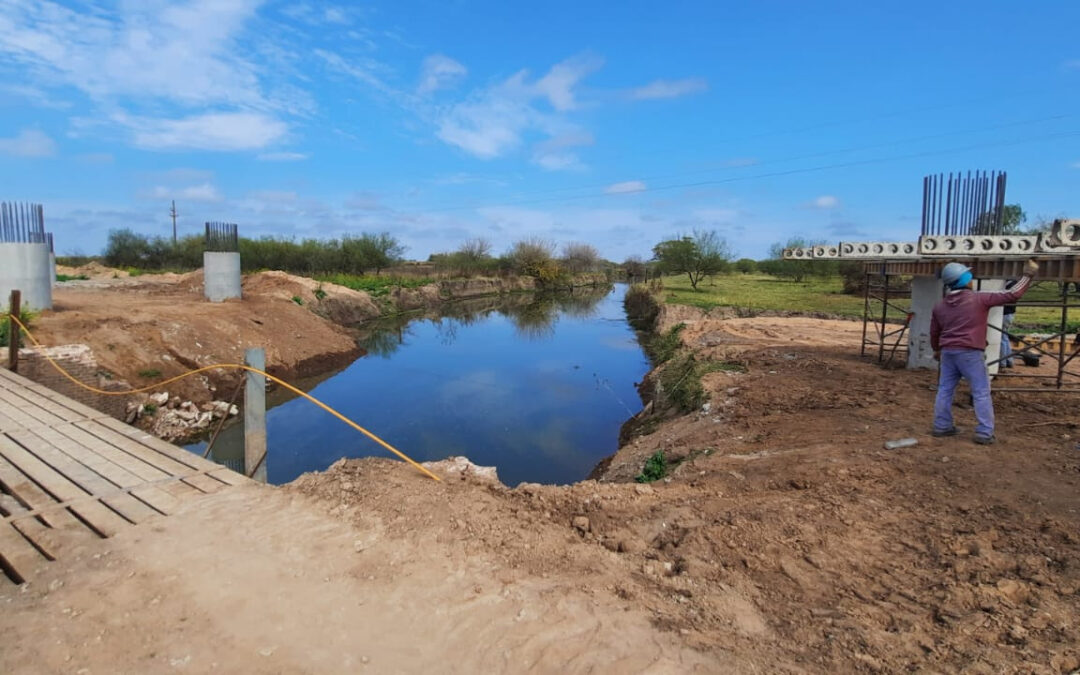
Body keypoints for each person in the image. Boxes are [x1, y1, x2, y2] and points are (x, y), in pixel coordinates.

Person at [931, 259, 1039, 445]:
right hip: (970, 353)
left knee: (945, 389)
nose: (972, 278)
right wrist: (1028, 275)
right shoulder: (979, 298)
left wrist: (937, 350)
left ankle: (942, 426)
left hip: (948, 352)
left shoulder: (940, 305)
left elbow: (935, 331)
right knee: (981, 391)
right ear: (965, 279)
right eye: (969, 276)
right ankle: (984, 432)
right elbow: (1013, 295)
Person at [1000, 280, 1017, 368]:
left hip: (1006, 314)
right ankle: (1009, 360)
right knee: (1004, 337)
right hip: (1008, 314)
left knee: (1002, 338)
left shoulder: (1010, 285)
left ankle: (1002, 362)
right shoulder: (1012, 284)